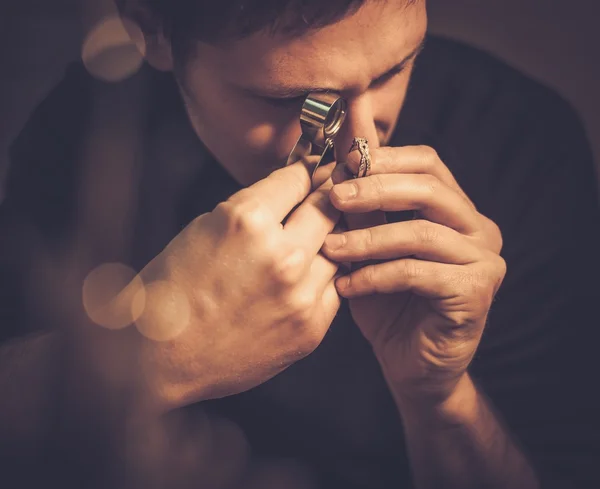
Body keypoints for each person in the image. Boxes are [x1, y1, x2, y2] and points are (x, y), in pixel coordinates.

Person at [0, 0, 599, 487]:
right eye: (294, 99)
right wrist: (161, 354)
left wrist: (440, 399)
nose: (358, 150)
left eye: (394, 71)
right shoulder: (98, 126)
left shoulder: (528, 147)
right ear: (150, 29)